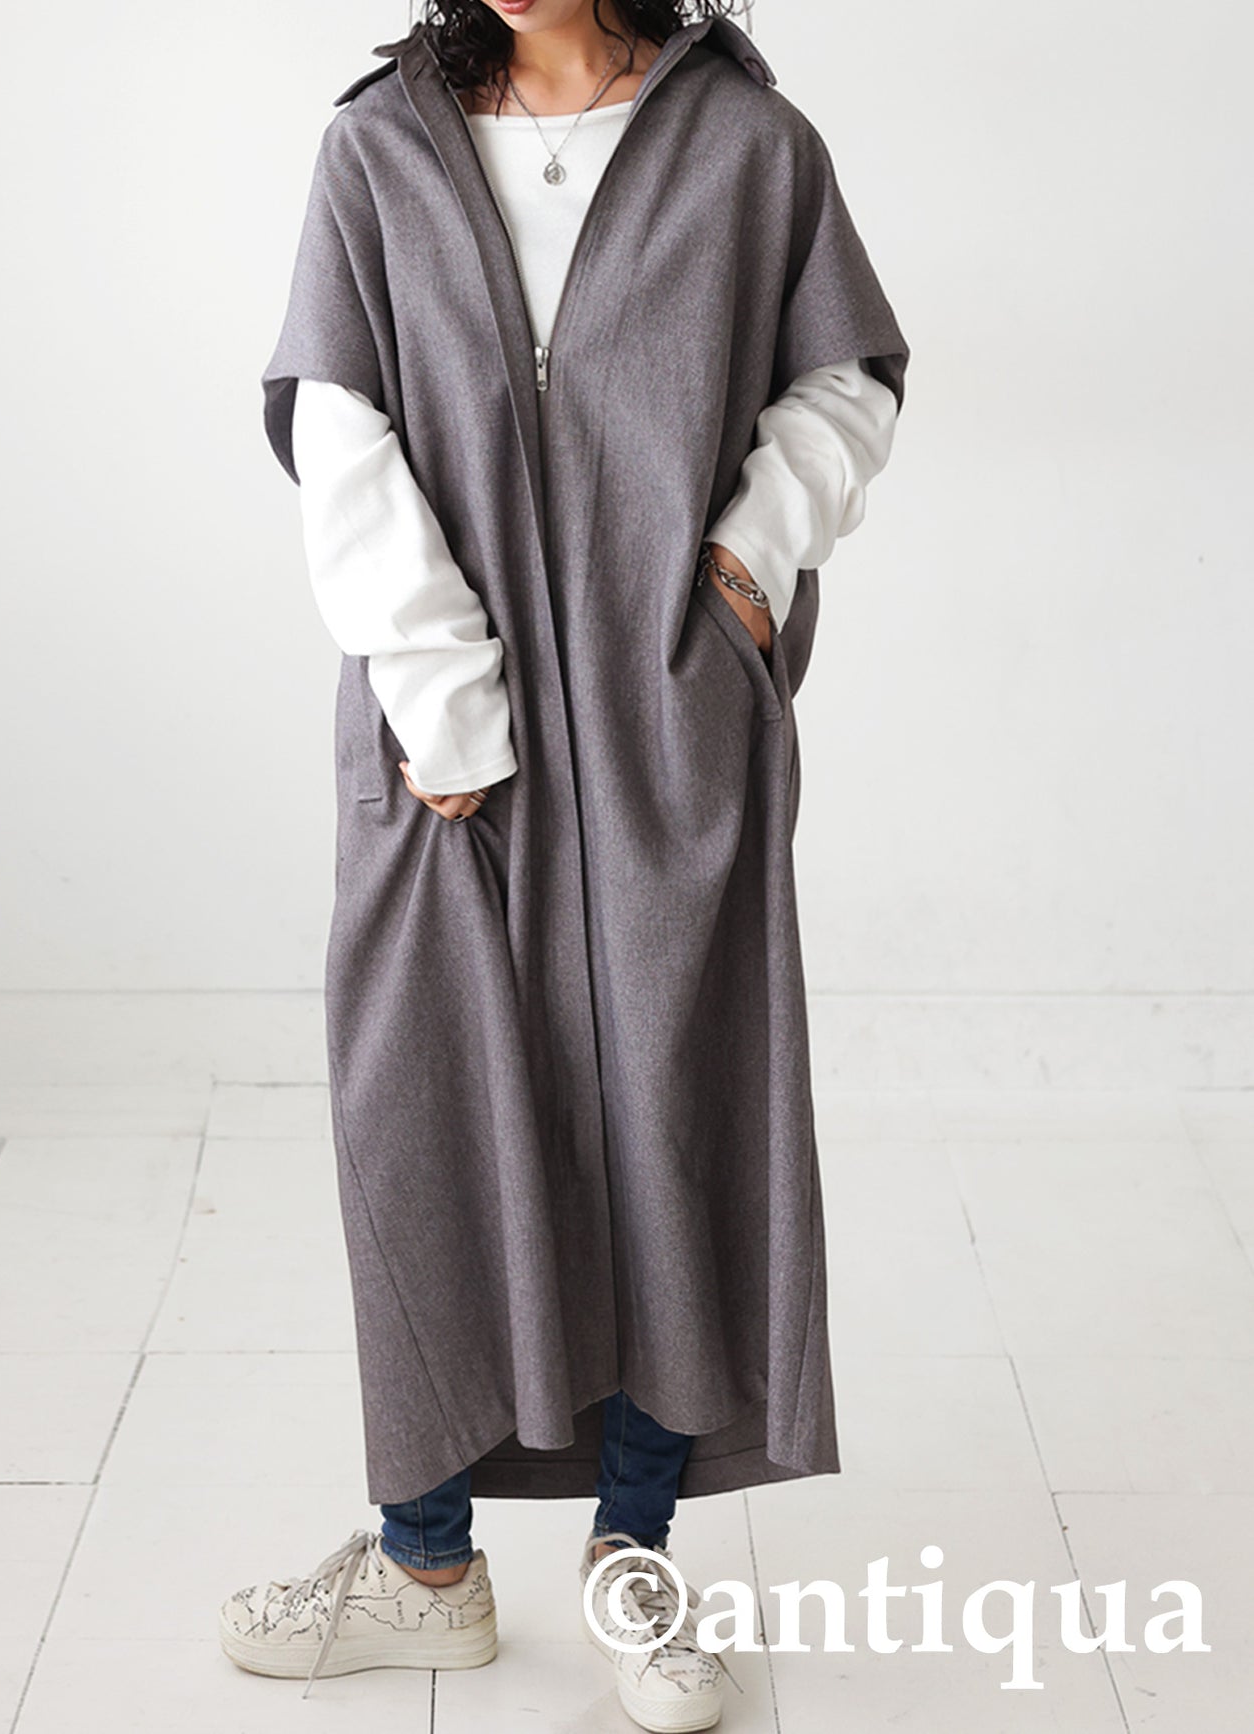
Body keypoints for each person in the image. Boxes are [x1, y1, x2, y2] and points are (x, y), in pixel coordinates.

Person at [221, 3, 908, 1728]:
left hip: (669, 721)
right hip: (437, 745)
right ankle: (424, 1566)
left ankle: (634, 1551)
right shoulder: (378, 149)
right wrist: (439, 688)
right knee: (423, 1112)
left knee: (674, 1118)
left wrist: (743, 572)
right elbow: (335, 420)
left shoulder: (747, 147)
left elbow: (842, 378)